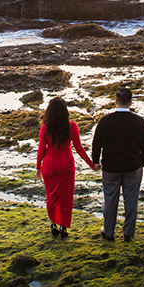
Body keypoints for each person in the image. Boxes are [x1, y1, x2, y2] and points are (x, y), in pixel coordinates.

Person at [91, 87, 144, 242]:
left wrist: (95, 161)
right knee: (131, 200)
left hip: (111, 167)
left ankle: (108, 231)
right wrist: (142, 162)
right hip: (133, 167)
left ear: (115, 101)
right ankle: (128, 232)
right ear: (131, 102)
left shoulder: (105, 121)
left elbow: (97, 144)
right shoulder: (139, 121)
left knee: (110, 200)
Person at [36, 96, 96, 239]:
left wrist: (38, 167)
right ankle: (63, 226)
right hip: (66, 164)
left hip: (50, 165)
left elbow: (41, 150)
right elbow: (79, 149)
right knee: (65, 197)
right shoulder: (72, 126)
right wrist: (92, 165)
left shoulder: (45, 128)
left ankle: (53, 224)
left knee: (51, 196)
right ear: (65, 111)